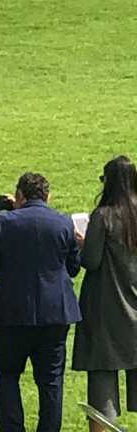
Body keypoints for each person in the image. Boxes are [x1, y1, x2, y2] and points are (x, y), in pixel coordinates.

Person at [0, 172, 81, 432]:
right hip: (55, 313)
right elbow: (73, 268)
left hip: (12, 312)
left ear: (20, 195)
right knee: (51, 381)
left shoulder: (3, 222)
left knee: (8, 375)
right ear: (48, 196)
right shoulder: (63, 223)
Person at [72, 156, 137, 431]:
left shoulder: (104, 215)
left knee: (101, 381)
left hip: (106, 308)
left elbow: (91, 260)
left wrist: (83, 243)